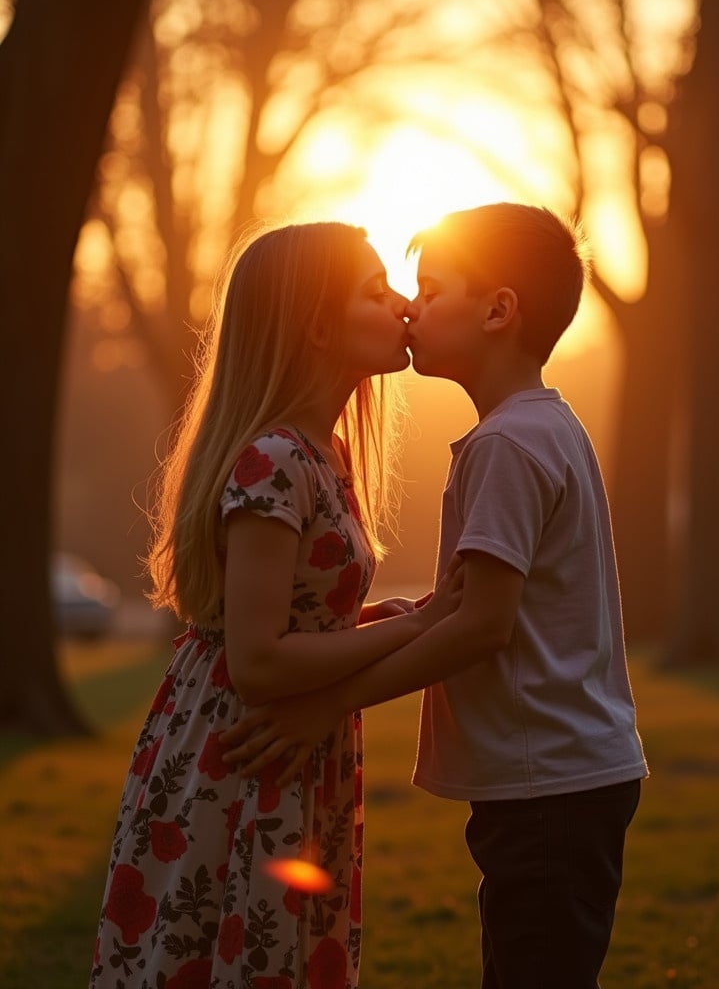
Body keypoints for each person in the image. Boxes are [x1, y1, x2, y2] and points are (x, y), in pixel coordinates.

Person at [221, 203, 650, 989]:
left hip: (548, 779)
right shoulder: (543, 428)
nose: (411, 306)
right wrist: (410, 618)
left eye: (431, 286)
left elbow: (481, 626)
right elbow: (460, 612)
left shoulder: (506, 446)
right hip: (563, 776)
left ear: (498, 310)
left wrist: (333, 702)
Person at [88, 221, 460, 989]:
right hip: (245, 748)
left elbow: (294, 626)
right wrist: (418, 628)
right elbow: (257, 662)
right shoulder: (276, 457)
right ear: (318, 323)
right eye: (374, 290)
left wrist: (383, 624)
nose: (400, 305)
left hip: (285, 743)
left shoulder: (323, 452)